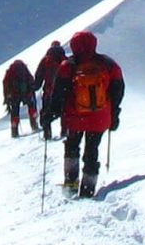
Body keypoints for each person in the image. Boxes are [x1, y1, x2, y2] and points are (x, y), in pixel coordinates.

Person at [41, 29, 124, 196]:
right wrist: (114, 113)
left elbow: (59, 93)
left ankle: (71, 183)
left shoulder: (68, 66)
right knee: (92, 150)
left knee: (72, 147)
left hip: (74, 117)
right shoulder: (109, 64)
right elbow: (118, 90)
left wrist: (50, 114)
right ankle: (88, 188)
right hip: (100, 117)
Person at [30, 39, 67, 138]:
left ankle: (47, 133)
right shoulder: (65, 60)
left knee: (46, 112)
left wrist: (35, 87)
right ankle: (64, 132)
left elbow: (39, 76)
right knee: (65, 111)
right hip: (64, 92)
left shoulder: (45, 60)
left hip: (48, 92)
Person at [0, 56, 37, 136]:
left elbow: (5, 83)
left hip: (14, 95)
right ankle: (34, 124)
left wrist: (7, 97)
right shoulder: (24, 70)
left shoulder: (10, 72)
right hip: (26, 93)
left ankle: (14, 130)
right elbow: (31, 79)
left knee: (15, 112)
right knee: (31, 107)